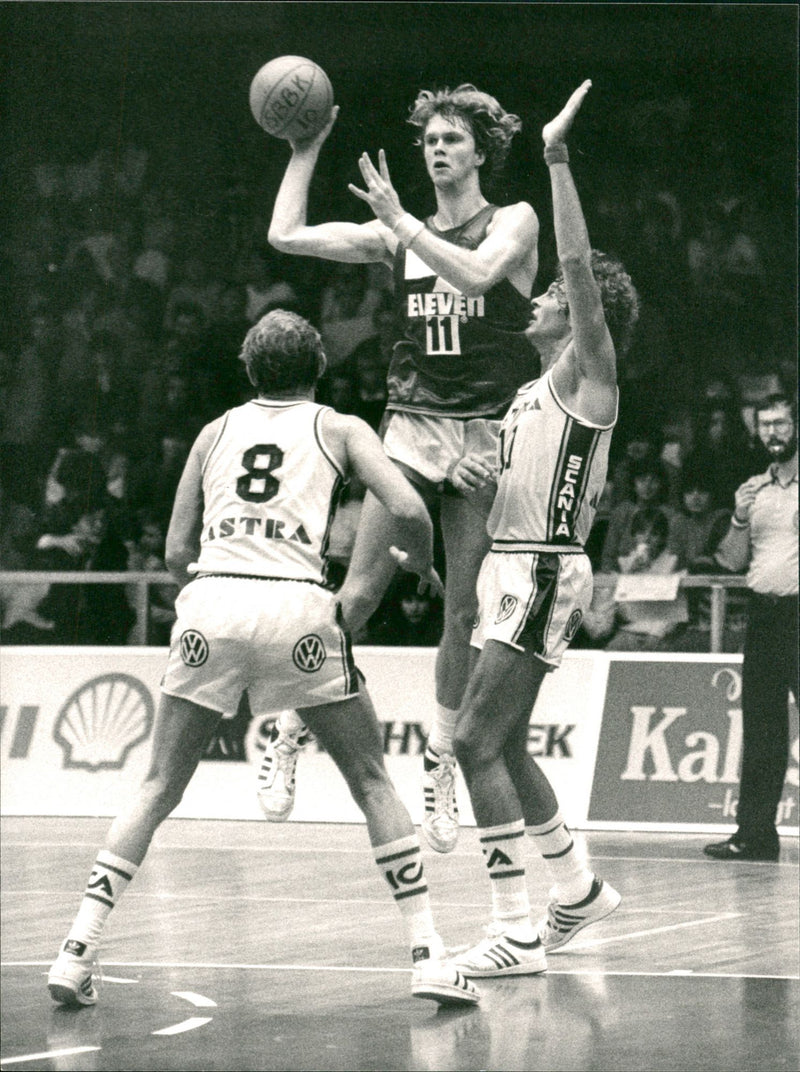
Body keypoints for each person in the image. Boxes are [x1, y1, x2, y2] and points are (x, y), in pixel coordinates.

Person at [47, 309, 479, 1009]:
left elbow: (175, 552)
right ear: (319, 370)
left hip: (213, 600)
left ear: (249, 370)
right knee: (371, 779)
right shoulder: (339, 426)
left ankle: (75, 947)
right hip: (295, 606)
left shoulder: (213, 431)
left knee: (157, 785)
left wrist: (212, 605)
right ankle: (429, 954)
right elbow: (406, 503)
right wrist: (422, 564)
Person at [267, 82, 539, 852]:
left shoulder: (513, 221)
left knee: (463, 611)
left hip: (487, 436)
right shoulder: (396, 235)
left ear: (480, 151)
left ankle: (443, 760)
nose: (438, 149)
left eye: (452, 139)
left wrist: (403, 224)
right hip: (412, 427)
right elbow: (285, 233)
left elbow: (480, 275)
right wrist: (304, 149)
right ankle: (290, 723)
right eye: (429, 141)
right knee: (355, 592)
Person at [444, 82, 639, 976]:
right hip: (513, 566)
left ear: (577, 318)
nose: (541, 298)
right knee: (505, 743)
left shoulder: (586, 375)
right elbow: (507, 496)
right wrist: (476, 479)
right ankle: (577, 889)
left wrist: (556, 158)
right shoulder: (526, 396)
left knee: (471, 743)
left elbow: (578, 259)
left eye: (556, 294)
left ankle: (516, 928)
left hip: (544, 571)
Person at [704, 394, 798, 861]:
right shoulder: (754, 489)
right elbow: (731, 560)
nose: (772, 434)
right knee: (761, 730)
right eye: (765, 426)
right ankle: (755, 835)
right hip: (764, 616)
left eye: (780, 423)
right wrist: (739, 517)